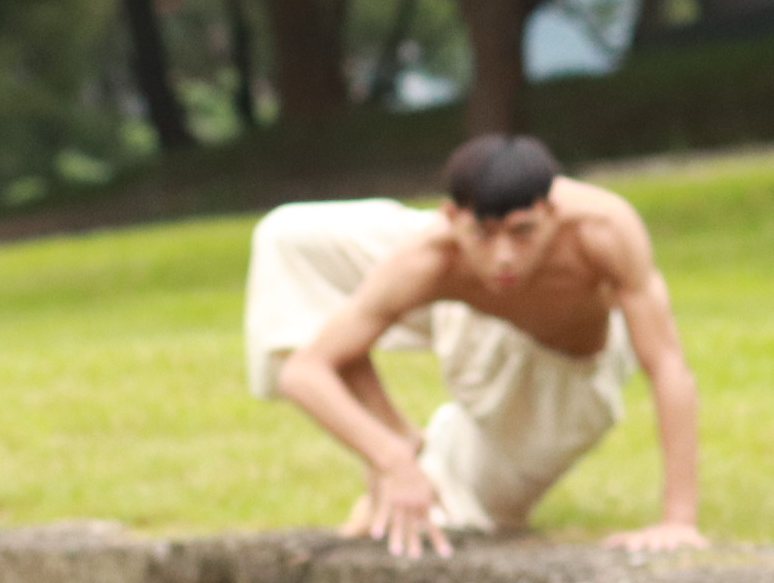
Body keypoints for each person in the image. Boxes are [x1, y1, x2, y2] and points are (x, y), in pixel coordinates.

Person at [243, 134, 708, 559]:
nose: (504, 256)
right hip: (464, 312)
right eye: (484, 234)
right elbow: (303, 372)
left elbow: (667, 364)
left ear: (551, 214)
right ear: (452, 217)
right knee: (287, 238)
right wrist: (392, 457)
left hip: (564, 373)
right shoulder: (431, 255)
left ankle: (437, 470)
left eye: (523, 232)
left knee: (456, 519)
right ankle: (403, 437)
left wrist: (678, 521)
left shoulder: (603, 229)